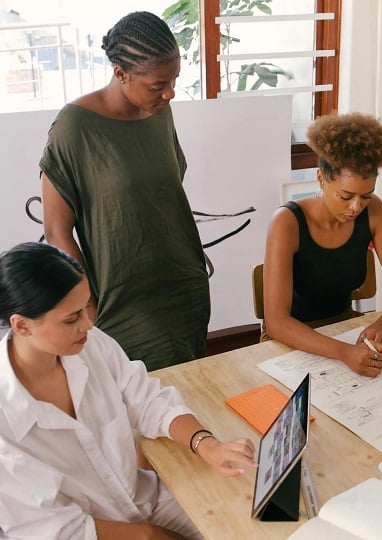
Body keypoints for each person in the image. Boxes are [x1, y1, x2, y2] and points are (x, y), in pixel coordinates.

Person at [0, 242, 256, 539]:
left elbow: (147, 401)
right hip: (89, 533)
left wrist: (207, 444)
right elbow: (53, 528)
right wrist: (148, 535)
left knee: (246, 520)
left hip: (145, 498)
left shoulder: (89, 343)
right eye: (72, 319)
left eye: (86, 307)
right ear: (21, 326)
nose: (88, 324)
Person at [39, 11, 210, 371]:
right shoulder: (74, 128)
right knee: (138, 402)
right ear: (121, 73)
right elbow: (56, 231)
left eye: (175, 79)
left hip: (183, 285)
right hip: (122, 299)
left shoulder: (159, 111)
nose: (170, 92)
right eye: (158, 85)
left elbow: (164, 191)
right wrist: (86, 304)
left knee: (189, 391)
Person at [263, 113, 382, 377]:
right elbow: (277, 322)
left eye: (365, 196)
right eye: (346, 196)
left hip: (344, 329)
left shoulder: (374, 212)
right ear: (322, 179)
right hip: (290, 341)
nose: (356, 207)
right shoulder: (287, 222)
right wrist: (343, 352)